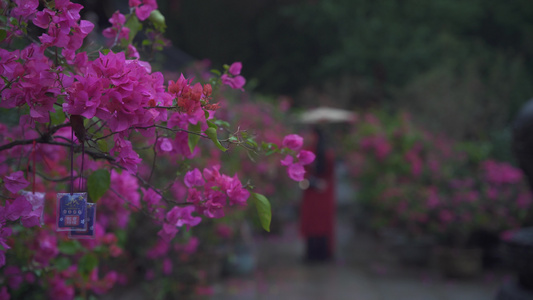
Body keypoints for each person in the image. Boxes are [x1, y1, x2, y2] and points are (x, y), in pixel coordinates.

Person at [299, 127, 336, 262]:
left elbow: (303, 175)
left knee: (312, 225)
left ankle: (312, 255)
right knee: (322, 225)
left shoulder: (309, 152)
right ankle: (323, 254)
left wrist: (312, 183)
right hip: (324, 195)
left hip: (312, 195)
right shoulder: (328, 153)